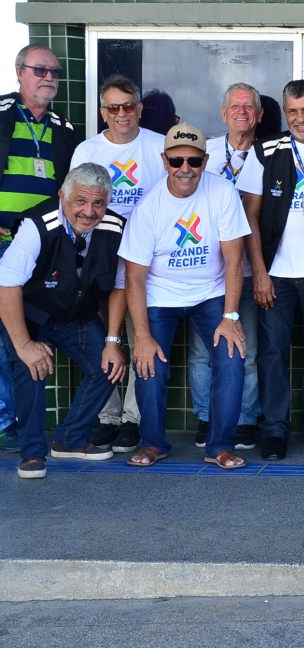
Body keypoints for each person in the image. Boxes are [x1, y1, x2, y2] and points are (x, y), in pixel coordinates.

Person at [119, 123, 250, 468]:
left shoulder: (222, 192)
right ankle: (153, 443)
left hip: (211, 293)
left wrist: (231, 316)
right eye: (177, 161)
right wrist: (142, 336)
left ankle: (219, 446)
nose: (185, 169)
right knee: (148, 362)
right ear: (165, 161)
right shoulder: (148, 207)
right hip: (160, 295)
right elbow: (134, 277)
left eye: (193, 161)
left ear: (205, 161)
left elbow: (235, 259)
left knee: (232, 358)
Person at [237, 80, 304, 461]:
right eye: (293, 112)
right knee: (271, 354)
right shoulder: (266, 150)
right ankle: (275, 431)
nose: (301, 119)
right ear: (285, 113)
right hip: (276, 275)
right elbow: (249, 215)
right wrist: (259, 272)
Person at [0, 163, 127, 478]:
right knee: (30, 367)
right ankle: (32, 454)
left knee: (108, 365)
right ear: (63, 197)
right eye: (81, 201)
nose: (89, 211)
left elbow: (121, 286)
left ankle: (70, 439)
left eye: (98, 203)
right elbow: (6, 285)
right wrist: (25, 345)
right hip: (30, 313)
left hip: (76, 314)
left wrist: (113, 341)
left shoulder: (116, 227)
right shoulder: (37, 225)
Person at [70, 74, 166, 454]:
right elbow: (73, 205)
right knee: (101, 338)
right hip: (98, 259)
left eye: (128, 106)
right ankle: (107, 416)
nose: (122, 113)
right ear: (103, 112)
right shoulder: (87, 150)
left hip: (146, 261)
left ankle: (133, 419)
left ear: (139, 109)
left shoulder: (158, 146)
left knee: (140, 335)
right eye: (114, 107)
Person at [0, 44, 77, 454]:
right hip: (2, 244)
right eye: (40, 70)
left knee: (23, 332)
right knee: (6, 336)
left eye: (54, 72)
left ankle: (17, 421)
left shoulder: (64, 129)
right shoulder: (1, 114)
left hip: (41, 248)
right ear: (19, 72)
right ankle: (6, 421)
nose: (48, 77)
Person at [187, 83, 264, 450]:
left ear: (259, 115)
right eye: (235, 106)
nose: (242, 112)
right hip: (204, 272)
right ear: (223, 113)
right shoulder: (205, 153)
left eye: (249, 107)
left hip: (246, 271)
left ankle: (245, 419)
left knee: (245, 350)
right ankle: (206, 416)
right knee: (202, 352)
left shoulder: (267, 154)